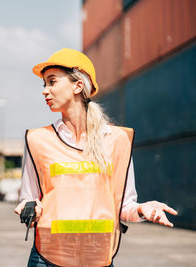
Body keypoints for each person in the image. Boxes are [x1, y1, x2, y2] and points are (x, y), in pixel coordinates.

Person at [14, 48, 178, 267]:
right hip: (48, 257)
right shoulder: (37, 139)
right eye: (43, 84)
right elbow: (29, 198)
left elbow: (123, 206)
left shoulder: (117, 140)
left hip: (97, 257)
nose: (45, 91)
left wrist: (141, 210)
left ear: (77, 86)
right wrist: (29, 208)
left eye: (52, 82)